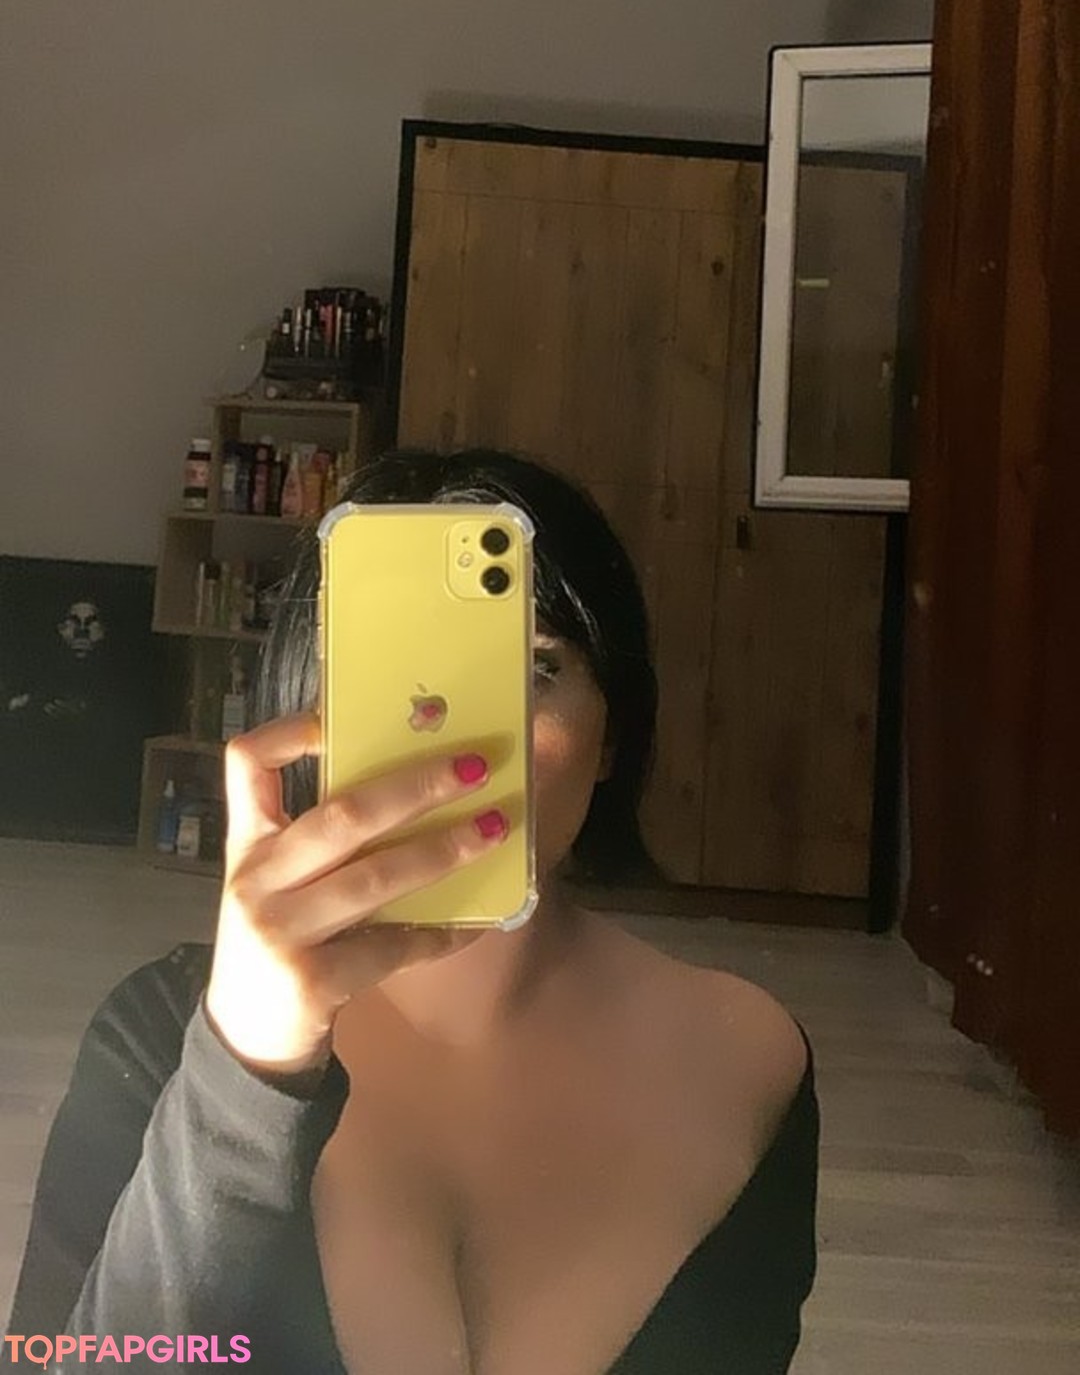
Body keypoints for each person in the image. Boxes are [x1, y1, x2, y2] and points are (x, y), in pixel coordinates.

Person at [3, 449, 819, 1375]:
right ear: (308, 711)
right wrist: (242, 1077)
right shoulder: (160, 1041)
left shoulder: (748, 1067)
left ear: (610, 737)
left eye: (535, 667)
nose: (450, 723)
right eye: (389, 671)